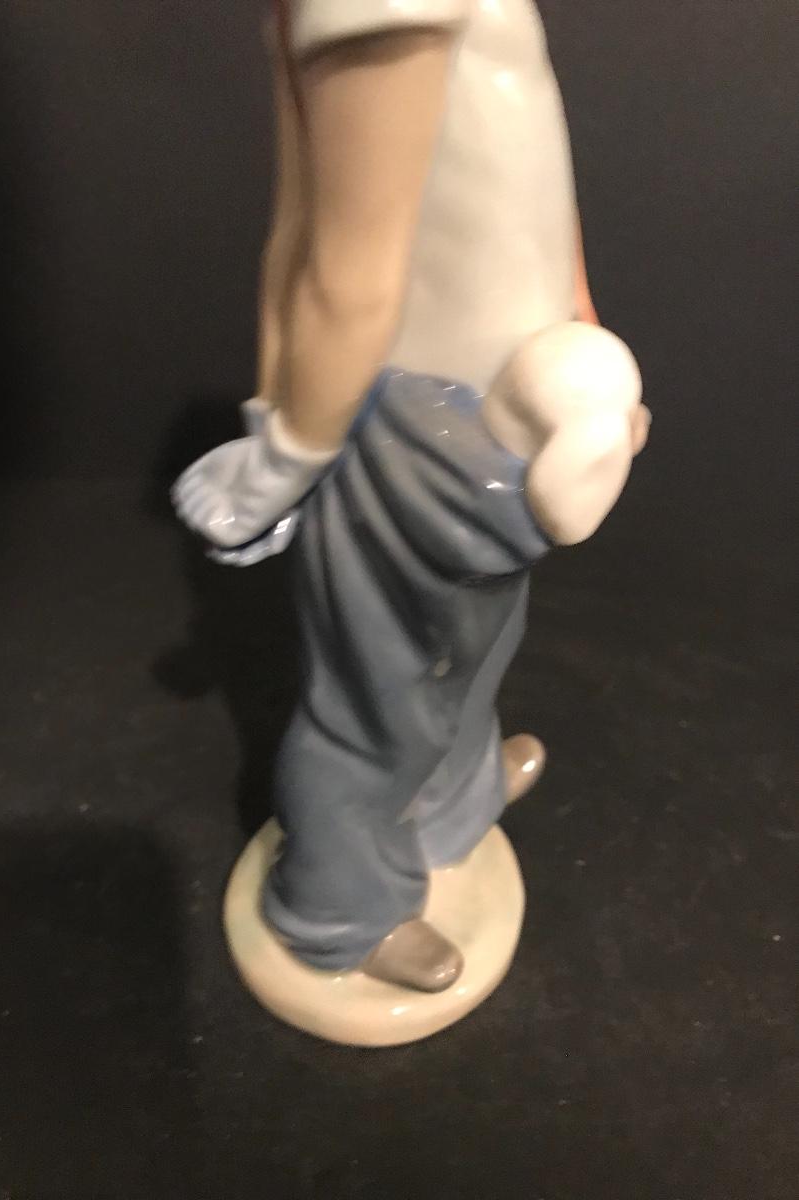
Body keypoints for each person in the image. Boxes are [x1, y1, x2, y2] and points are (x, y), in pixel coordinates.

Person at [173, 2, 649, 990]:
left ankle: (448, 805)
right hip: (417, 420)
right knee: (379, 698)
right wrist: (287, 454)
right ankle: (338, 906)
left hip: (500, 401)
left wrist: (579, 313)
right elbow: (343, 266)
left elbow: (532, 165)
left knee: (471, 651)